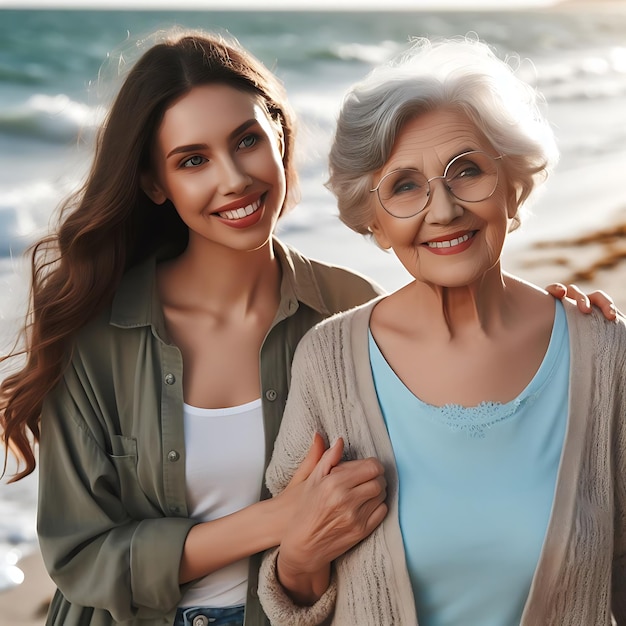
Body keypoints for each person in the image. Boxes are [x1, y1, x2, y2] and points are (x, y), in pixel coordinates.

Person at [0, 28, 615, 626]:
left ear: (279, 138)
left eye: (246, 141)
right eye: (192, 160)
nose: (234, 179)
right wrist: (280, 521)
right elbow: (80, 557)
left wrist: (568, 331)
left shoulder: (347, 316)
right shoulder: (96, 335)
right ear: (155, 183)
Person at [257, 37, 626, 626]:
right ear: (373, 222)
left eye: (468, 171)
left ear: (513, 185)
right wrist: (299, 559)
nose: (445, 210)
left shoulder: (605, 353)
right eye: (405, 185)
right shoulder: (328, 361)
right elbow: (292, 581)